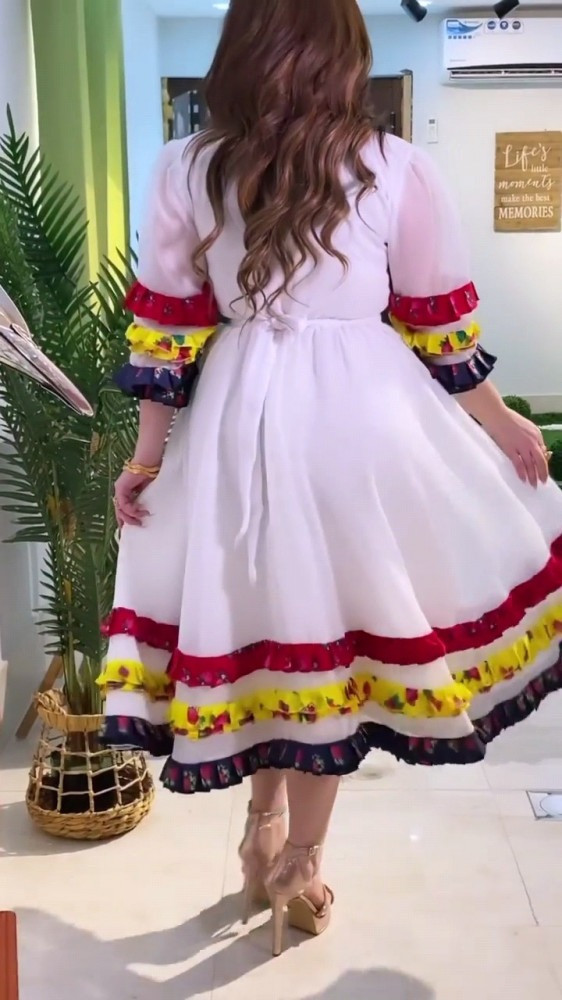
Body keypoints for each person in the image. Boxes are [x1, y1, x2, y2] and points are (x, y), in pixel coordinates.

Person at [99, 0, 562, 957]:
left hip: (234, 419)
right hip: (362, 417)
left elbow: (168, 330)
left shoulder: (186, 166)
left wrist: (146, 459)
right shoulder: (394, 166)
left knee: (269, 621)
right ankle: (298, 864)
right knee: (333, 647)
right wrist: (500, 420)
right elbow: (438, 326)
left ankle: (260, 829)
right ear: (341, 55)